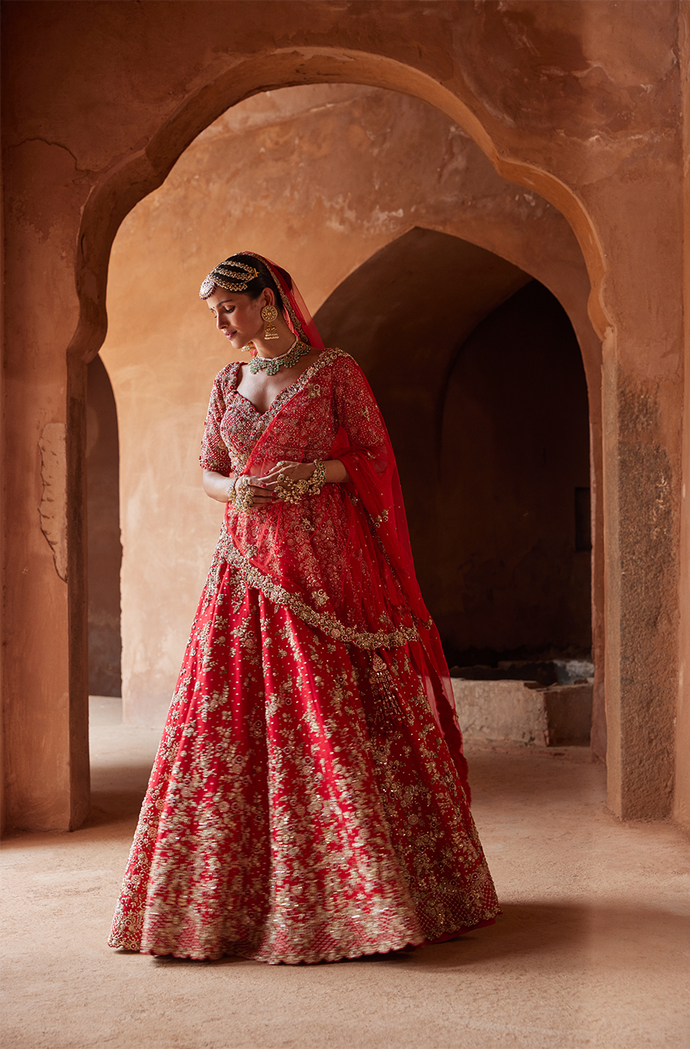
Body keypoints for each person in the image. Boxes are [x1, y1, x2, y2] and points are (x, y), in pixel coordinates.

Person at [108, 251, 499, 965]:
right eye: (214, 312)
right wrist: (241, 493)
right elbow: (208, 470)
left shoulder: (333, 373)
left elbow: (376, 456)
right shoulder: (229, 381)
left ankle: (372, 904)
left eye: (229, 307)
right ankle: (213, 909)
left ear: (266, 299)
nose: (221, 323)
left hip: (325, 575)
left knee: (333, 724)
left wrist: (309, 474)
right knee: (223, 728)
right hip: (242, 572)